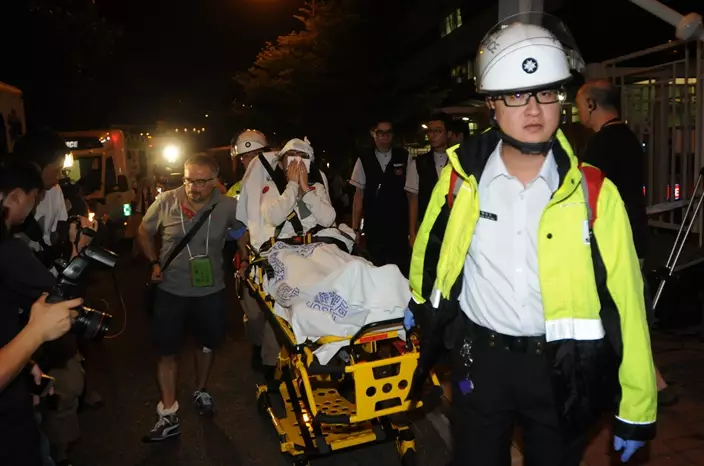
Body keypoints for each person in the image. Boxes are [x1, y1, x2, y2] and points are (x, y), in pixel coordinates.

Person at [407, 13, 656, 465]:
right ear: (492, 104)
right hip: (479, 362)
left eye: (545, 93)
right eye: (517, 95)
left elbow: (628, 303)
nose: (534, 110)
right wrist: (418, 300)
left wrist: (638, 405)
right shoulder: (460, 181)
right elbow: (431, 249)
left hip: (560, 372)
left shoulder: (595, 193)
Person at [576, 78, 677, 407]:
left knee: (616, 314)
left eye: (579, 105)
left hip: (614, 241)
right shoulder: (629, 137)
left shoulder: (602, 144)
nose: (579, 113)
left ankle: (649, 382)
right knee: (627, 311)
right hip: (635, 236)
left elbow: (588, 197)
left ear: (592, 104)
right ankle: (648, 380)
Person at [138, 154, 248, 442]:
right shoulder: (166, 201)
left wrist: (245, 256)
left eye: (200, 182)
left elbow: (239, 231)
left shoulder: (228, 206)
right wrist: (153, 262)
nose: (192, 188)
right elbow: (144, 230)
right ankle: (168, 412)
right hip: (170, 290)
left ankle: (201, 389)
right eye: (188, 180)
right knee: (166, 351)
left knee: (206, 344)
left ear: (215, 181)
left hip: (210, 291)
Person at [0, 158, 83, 466]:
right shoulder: (8, 251)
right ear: (15, 196)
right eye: (33, 198)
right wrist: (35, 333)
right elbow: (57, 293)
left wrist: (23, 362)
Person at [237, 137, 335, 382]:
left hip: (314, 248)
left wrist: (305, 188)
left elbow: (327, 218)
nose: (297, 162)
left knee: (347, 269)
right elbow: (274, 216)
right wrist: (292, 186)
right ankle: (271, 360)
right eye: (291, 158)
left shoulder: (316, 187)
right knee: (274, 309)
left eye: (303, 157)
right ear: (281, 163)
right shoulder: (270, 187)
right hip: (283, 251)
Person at [349, 119, 410, 276]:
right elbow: (358, 195)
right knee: (375, 268)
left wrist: (413, 228)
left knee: (399, 269)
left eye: (388, 132)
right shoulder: (364, 159)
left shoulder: (404, 157)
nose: (385, 136)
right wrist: (355, 228)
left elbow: (412, 195)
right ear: (373, 134)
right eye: (380, 132)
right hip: (374, 224)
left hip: (399, 225)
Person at [406, 113, 451, 247]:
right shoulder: (418, 163)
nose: (433, 135)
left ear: (448, 134)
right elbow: (413, 200)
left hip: (453, 226)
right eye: (430, 131)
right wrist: (412, 232)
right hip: (428, 228)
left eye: (438, 131)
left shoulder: (458, 161)